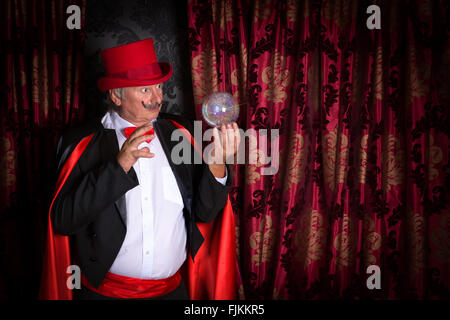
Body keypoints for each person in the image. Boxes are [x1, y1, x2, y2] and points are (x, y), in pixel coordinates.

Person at [39, 38, 240, 300]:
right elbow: (63, 221)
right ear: (115, 95)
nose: (158, 98)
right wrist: (118, 167)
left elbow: (205, 212)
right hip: (102, 295)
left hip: (173, 293)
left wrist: (217, 160)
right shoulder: (80, 143)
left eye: (159, 86)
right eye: (145, 90)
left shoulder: (182, 134)